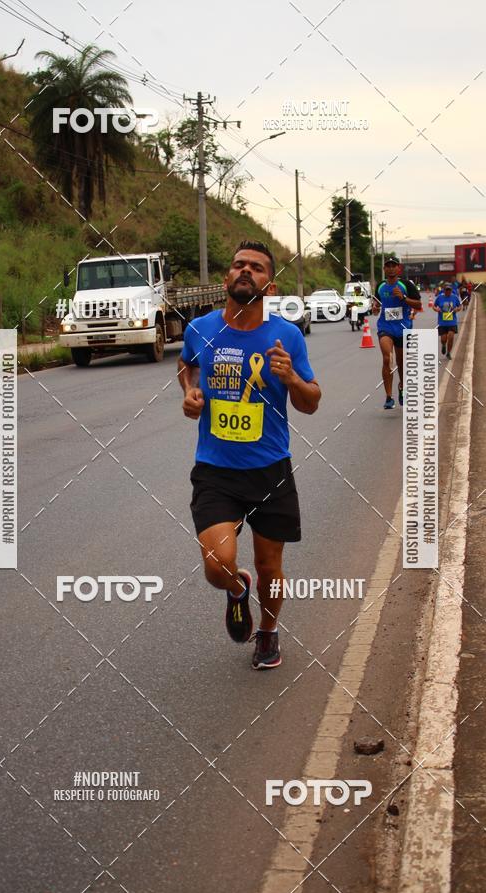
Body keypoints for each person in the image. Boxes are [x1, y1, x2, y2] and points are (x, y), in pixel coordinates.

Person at [178, 240, 321, 669]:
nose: (246, 271)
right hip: (216, 470)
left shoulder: (287, 336)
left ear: (269, 286)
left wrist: (291, 377)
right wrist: (190, 392)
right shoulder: (200, 328)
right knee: (217, 563)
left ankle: (268, 633)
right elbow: (187, 365)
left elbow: (311, 402)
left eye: (256, 268)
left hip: (271, 470)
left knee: (269, 566)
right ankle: (236, 590)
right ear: (227, 278)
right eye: (239, 265)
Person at [372, 256, 422, 409]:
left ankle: (402, 387)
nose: (391, 268)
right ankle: (388, 397)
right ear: (384, 269)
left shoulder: (406, 285)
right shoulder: (380, 286)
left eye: (394, 266)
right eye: (388, 266)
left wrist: (404, 297)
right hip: (385, 327)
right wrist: (375, 309)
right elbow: (376, 305)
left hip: (403, 328)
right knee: (387, 358)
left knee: (401, 363)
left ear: (398, 268)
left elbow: (419, 304)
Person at [433, 282, 461, 359]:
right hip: (442, 322)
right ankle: (443, 345)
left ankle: (448, 353)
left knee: (451, 337)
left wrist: (457, 309)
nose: (448, 291)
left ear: (451, 290)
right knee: (443, 339)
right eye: (446, 290)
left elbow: (459, 306)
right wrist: (437, 309)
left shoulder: (454, 297)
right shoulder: (440, 297)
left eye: (449, 290)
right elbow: (434, 306)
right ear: (444, 290)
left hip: (452, 322)